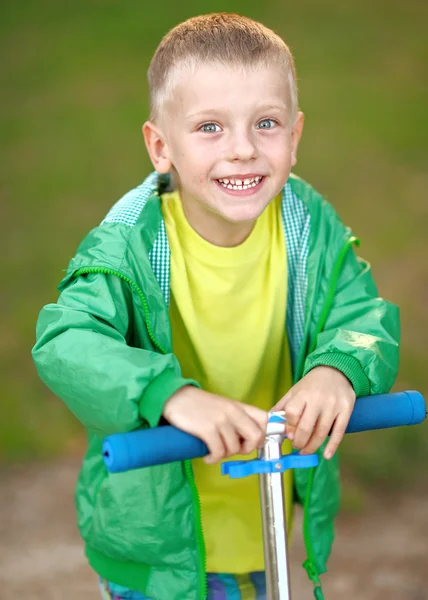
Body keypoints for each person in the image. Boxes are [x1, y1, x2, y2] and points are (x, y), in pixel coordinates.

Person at [32, 12, 400, 600]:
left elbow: (361, 315)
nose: (243, 150)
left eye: (266, 123)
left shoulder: (309, 227)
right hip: (157, 540)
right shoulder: (129, 242)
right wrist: (169, 395)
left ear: (295, 137)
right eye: (209, 127)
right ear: (160, 146)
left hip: (264, 522)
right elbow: (68, 343)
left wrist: (339, 368)